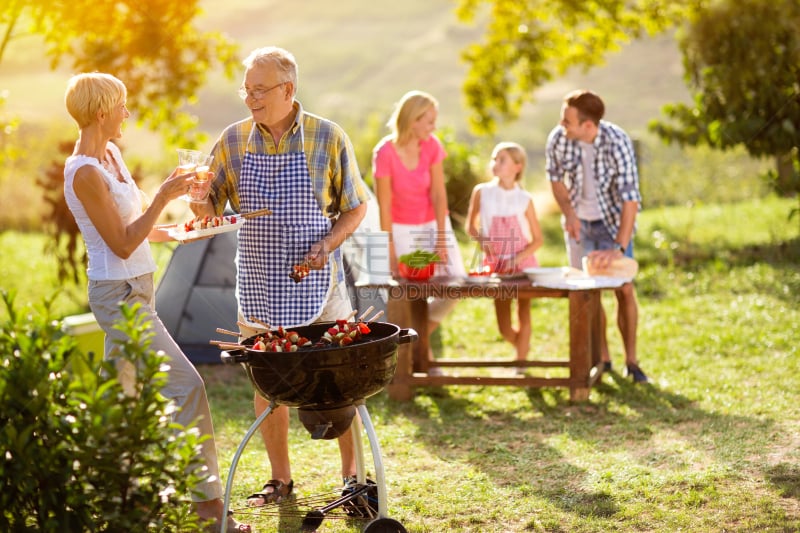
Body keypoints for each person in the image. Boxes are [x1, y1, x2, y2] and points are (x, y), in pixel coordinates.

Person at [62, 73, 251, 532]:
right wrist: (165, 194)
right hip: (119, 296)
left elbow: (139, 226)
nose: (128, 113)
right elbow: (123, 244)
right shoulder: (84, 171)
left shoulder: (110, 155)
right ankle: (209, 513)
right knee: (188, 387)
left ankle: (108, 504)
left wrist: (186, 230)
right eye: (123, 105)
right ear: (103, 111)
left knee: (119, 402)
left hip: (137, 287)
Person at [189, 46, 369, 506]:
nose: (250, 99)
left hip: (319, 280)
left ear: (288, 90)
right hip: (257, 279)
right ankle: (280, 479)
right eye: (246, 90)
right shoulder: (232, 140)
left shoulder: (328, 137)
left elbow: (355, 206)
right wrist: (201, 205)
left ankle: (353, 477)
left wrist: (327, 244)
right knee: (268, 384)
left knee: (339, 378)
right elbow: (207, 201)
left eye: (260, 90)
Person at [545, 89, 649, 383]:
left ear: (588, 126)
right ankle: (603, 359)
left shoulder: (617, 142)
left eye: (568, 121)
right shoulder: (559, 139)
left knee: (624, 288)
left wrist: (619, 246)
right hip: (580, 225)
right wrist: (569, 214)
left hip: (613, 224)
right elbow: (555, 178)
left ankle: (632, 361)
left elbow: (631, 199)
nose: (561, 125)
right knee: (588, 292)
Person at [372, 90, 466, 367]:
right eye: (429, 121)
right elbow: (385, 206)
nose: (434, 127)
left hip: (433, 225)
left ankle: (418, 342)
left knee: (457, 284)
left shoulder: (432, 146)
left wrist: (440, 238)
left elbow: (439, 195)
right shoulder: (385, 152)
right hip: (400, 229)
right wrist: (390, 250)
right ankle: (421, 358)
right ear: (412, 120)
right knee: (410, 292)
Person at [466, 142, 543, 372]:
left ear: (517, 167)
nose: (495, 164)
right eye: (494, 158)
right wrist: (484, 242)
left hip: (522, 264)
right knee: (504, 325)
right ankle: (522, 346)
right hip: (496, 265)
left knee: (524, 311)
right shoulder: (482, 192)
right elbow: (471, 226)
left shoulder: (524, 199)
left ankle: (520, 363)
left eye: (502, 160)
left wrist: (516, 259)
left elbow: (537, 239)